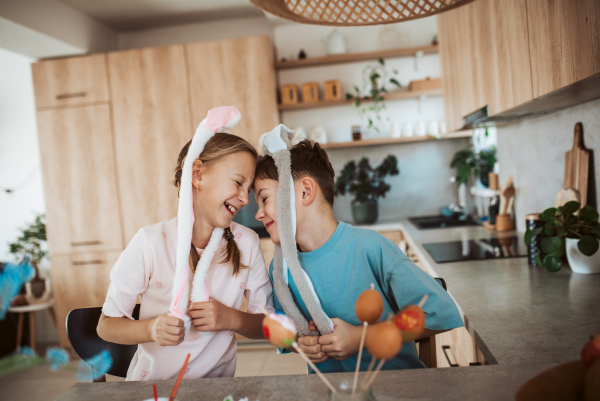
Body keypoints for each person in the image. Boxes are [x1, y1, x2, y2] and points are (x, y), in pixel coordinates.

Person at [253, 138, 464, 373]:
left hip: (399, 388)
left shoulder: (370, 248)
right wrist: (298, 343)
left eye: (264, 199)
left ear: (305, 191)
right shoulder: (280, 270)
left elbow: (440, 312)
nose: (258, 214)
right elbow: (284, 329)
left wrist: (361, 337)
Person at [97, 128, 274, 381]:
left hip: (216, 391)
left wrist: (232, 318)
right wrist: (151, 328)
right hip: (153, 391)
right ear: (198, 174)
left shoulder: (247, 243)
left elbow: (267, 325)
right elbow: (106, 326)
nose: (245, 199)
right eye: (238, 183)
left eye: (248, 189)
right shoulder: (150, 242)